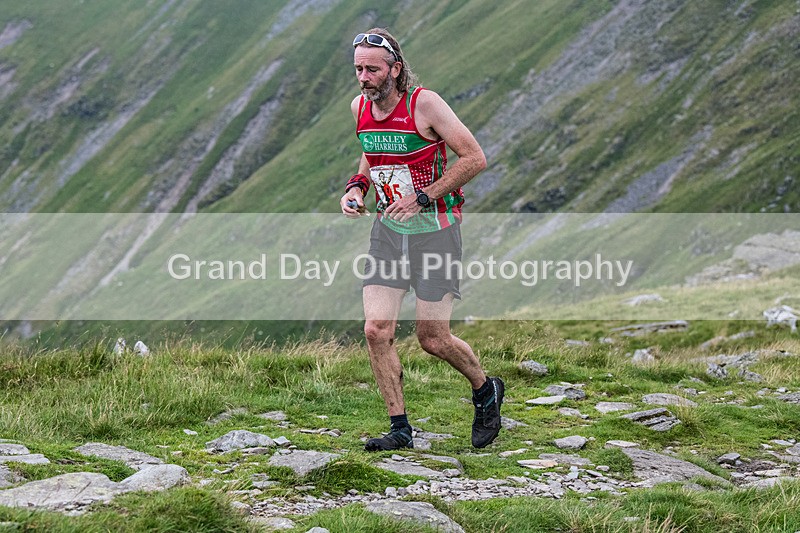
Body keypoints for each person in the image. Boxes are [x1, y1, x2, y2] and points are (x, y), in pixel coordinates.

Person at [340, 28, 504, 451]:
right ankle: (399, 429)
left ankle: (485, 390)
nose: (364, 77)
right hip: (389, 233)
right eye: (359, 69)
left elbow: (474, 157)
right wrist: (357, 187)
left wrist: (423, 196)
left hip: (436, 233)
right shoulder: (360, 106)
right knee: (377, 329)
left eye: (372, 69)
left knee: (433, 338)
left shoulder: (424, 104)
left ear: (395, 69)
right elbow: (371, 151)